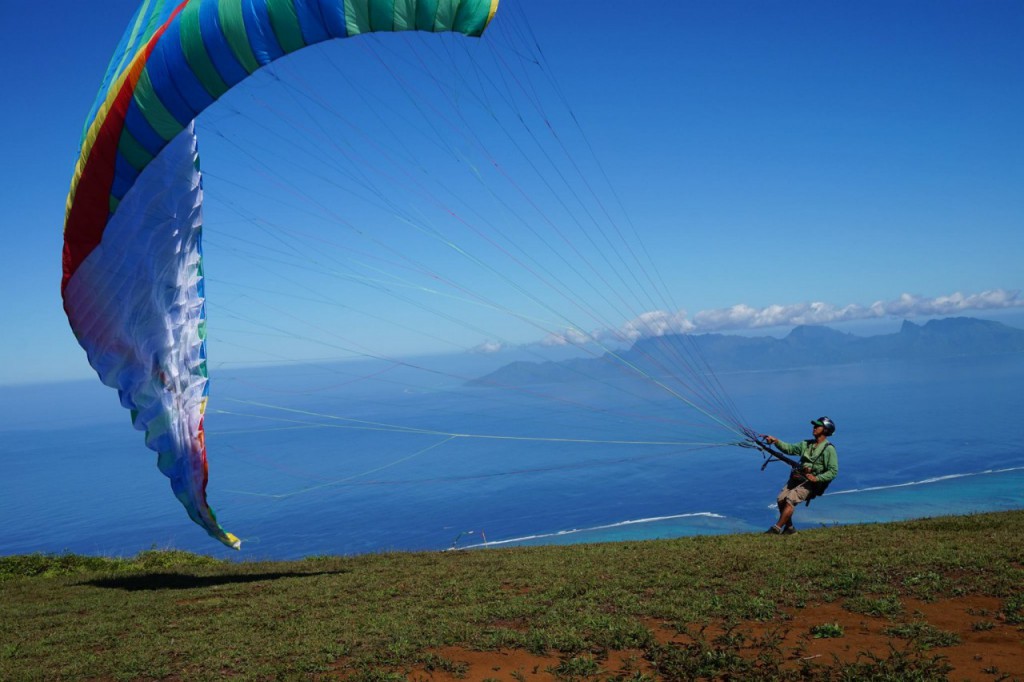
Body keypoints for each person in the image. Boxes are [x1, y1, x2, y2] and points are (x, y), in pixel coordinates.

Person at [762, 417, 838, 535]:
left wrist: (817, 478)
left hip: (811, 483)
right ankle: (790, 529)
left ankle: (776, 529)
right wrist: (775, 441)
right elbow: (789, 449)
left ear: (826, 430)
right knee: (781, 499)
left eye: (817, 426)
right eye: (814, 425)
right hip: (797, 477)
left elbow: (833, 471)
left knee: (790, 500)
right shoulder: (806, 444)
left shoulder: (829, 450)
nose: (814, 428)